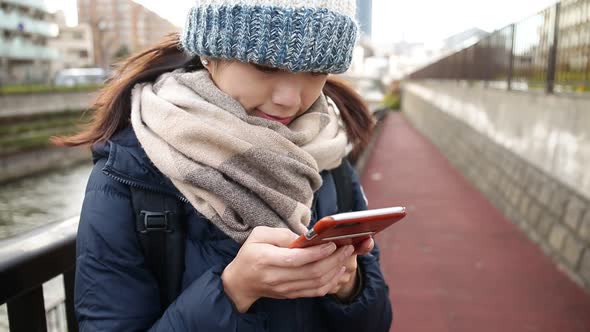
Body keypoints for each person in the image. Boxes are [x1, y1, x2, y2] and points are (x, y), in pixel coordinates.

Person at [56, 0, 393, 330]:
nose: (290, 98)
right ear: (210, 53)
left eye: (316, 70)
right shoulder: (129, 170)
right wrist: (234, 291)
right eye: (266, 66)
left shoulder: (328, 153)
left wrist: (349, 285)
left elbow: (379, 320)